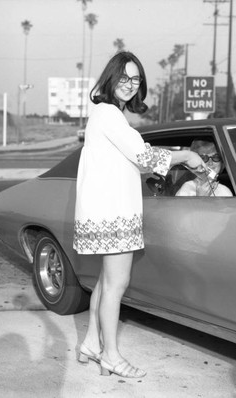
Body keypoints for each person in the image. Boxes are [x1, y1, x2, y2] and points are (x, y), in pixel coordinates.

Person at [73, 51, 205, 378]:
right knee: (117, 284)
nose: (130, 85)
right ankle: (111, 356)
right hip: (113, 215)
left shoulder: (107, 114)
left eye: (136, 79)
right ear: (110, 78)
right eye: (124, 77)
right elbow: (143, 155)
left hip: (108, 212)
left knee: (106, 282)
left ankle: (91, 342)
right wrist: (186, 155)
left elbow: (130, 161)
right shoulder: (108, 114)